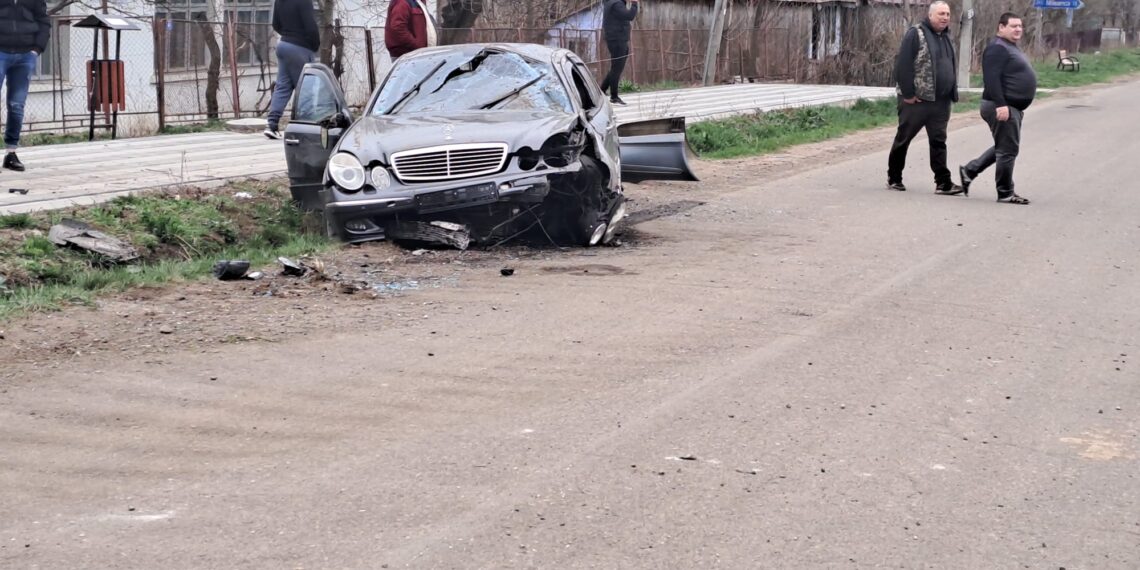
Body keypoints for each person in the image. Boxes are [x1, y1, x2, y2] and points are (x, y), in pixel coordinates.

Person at [959, 13, 1036, 205]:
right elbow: (991, 79)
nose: (1018, 29)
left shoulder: (1010, 47)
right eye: (1013, 26)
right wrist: (1001, 105)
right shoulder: (997, 48)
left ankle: (969, 171)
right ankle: (1005, 192)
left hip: (1011, 106)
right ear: (1001, 27)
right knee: (1007, 150)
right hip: (1001, 105)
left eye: (1020, 26)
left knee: (1004, 146)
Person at [886, 1, 962, 195]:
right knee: (904, 139)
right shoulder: (916, 34)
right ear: (930, 15)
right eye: (941, 14)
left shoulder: (946, 37)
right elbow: (903, 65)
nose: (945, 17)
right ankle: (894, 178)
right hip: (917, 101)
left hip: (941, 102)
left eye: (947, 14)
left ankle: (943, 183)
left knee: (938, 142)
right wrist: (908, 94)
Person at [0, 0, 51, 171]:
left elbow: (43, 21)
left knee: (17, 105)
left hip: (25, 56)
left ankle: (11, 154)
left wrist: (37, 49)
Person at [265, 0, 320, 139]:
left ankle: (271, 124)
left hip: (283, 45)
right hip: (300, 48)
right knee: (306, 88)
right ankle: (306, 128)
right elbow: (311, 27)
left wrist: (288, 35)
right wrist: (314, 46)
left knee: (282, 86)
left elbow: (275, 24)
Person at [599, 0, 639, 106]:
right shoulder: (616, 4)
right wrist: (634, 3)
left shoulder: (611, 2)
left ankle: (601, 91)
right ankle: (614, 97)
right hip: (617, 40)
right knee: (616, 69)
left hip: (618, 39)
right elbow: (630, 16)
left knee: (615, 68)